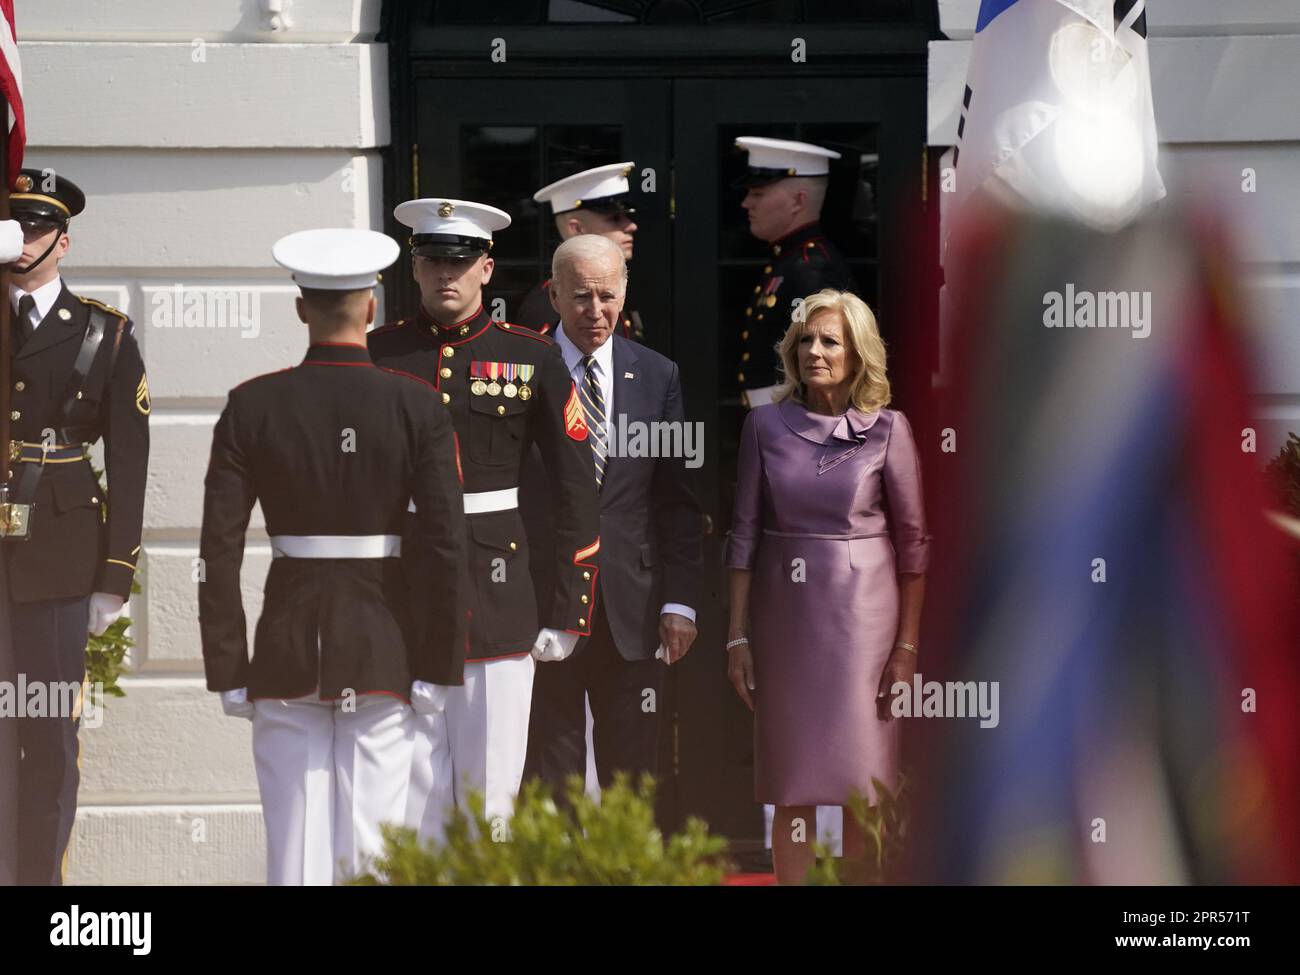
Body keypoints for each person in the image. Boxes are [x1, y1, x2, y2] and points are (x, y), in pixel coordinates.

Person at [199, 228, 467, 885]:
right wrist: (440, 659)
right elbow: (444, 544)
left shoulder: (252, 404)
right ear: (372, 307)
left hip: (287, 644)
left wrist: (229, 664)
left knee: (293, 844)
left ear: (300, 309)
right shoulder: (417, 405)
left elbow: (219, 548)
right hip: (383, 643)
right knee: (374, 845)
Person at [368, 198, 600, 839]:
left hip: (498, 599)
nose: (447, 274)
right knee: (407, 807)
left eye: (461, 262)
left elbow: (576, 487)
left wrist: (569, 606)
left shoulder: (531, 357)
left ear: (487, 269)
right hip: (402, 601)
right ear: (413, 269)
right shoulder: (379, 353)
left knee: (490, 801)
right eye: (434, 260)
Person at [725, 288, 929, 885]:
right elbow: (742, 536)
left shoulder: (889, 429)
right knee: (793, 782)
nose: (815, 351)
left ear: (857, 352)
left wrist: (907, 647)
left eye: (830, 341)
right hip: (786, 622)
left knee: (864, 784)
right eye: (805, 340)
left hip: (865, 625)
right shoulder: (764, 424)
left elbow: (915, 546)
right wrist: (736, 637)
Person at [2, 169, 149, 885]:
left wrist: (114, 576)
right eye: (13, 225)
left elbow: (130, 460)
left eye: (37, 227)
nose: (23, 240)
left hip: (59, 563)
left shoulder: (104, 333)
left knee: (47, 738)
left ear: (65, 240)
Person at [522, 235, 702, 792]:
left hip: (636, 603)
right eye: (579, 297)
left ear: (624, 293)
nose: (595, 311)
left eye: (606, 295)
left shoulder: (657, 375)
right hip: (543, 602)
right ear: (553, 296)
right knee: (552, 775)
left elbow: (677, 499)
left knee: (632, 776)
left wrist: (680, 600)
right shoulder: (521, 369)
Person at [733, 137, 854, 408]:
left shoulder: (813, 269)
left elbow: (825, 367)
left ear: (798, 201)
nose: (746, 203)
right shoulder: (790, 260)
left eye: (757, 193)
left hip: (798, 424)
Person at [516, 163, 643, 341]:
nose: (631, 226)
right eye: (615, 218)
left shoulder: (617, 289)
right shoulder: (546, 307)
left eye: (627, 217)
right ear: (577, 229)